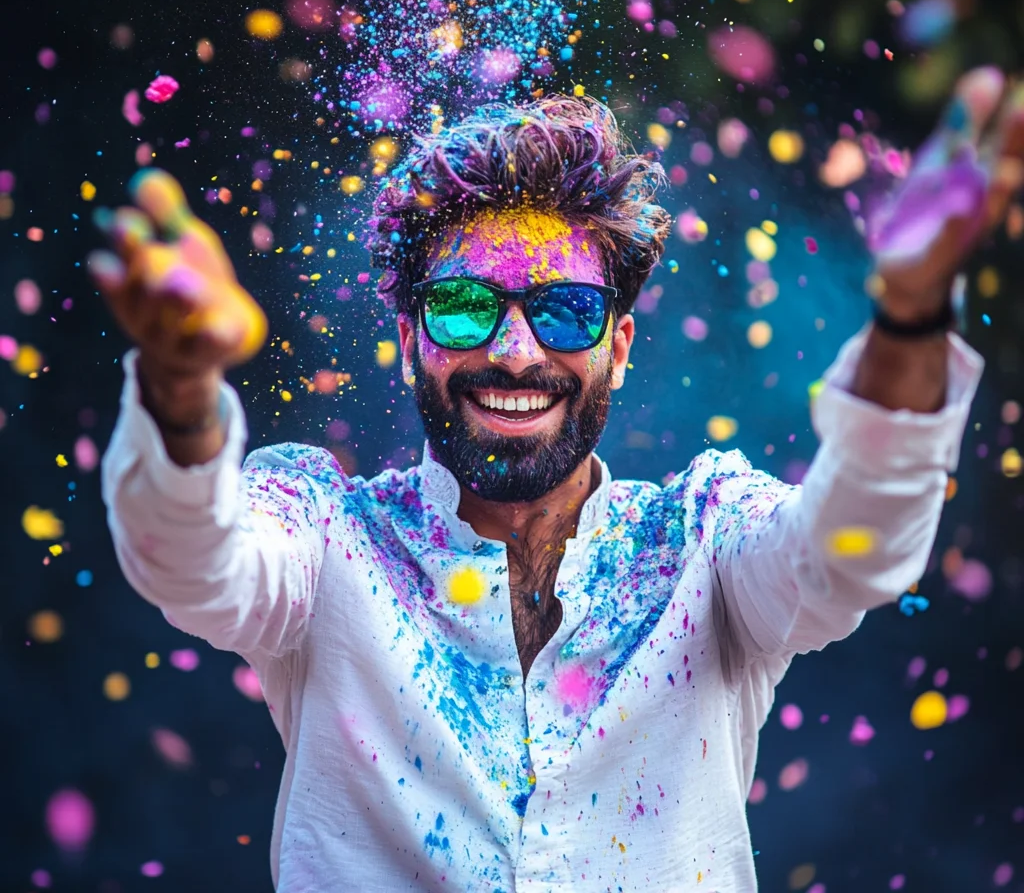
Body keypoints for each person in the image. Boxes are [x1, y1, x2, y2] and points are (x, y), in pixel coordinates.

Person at [92, 71, 1022, 892]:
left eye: (566, 310)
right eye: (462, 306)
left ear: (618, 346)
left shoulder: (706, 535)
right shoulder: (322, 531)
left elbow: (848, 555)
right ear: (410, 338)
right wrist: (179, 383)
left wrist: (910, 318)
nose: (513, 351)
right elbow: (191, 561)